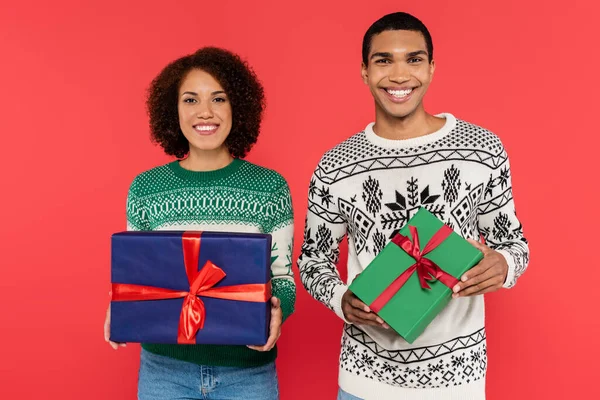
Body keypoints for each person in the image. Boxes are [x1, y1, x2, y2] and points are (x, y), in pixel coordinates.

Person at [298, 12, 529, 400]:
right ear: (364, 71)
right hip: (363, 381)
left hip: (457, 383)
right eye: (384, 60)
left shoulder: (482, 150)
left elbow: (514, 242)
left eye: (414, 59)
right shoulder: (335, 165)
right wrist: (342, 300)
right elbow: (311, 258)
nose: (400, 75)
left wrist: (504, 266)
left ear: (432, 67)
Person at [103, 47, 295, 400]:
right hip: (164, 372)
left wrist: (278, 310)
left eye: (218, 99)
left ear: (237, 106)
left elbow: (283, 279)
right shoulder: (145, 188)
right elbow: (137, 276)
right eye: (190, 100)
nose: (205, 112)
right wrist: (120, 305)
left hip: (248, 374)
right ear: (172, 110)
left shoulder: (270, 187)